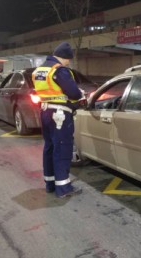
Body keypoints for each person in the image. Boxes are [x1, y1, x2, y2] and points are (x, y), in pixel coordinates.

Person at [32, 42, 84, 198]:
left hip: (45, 111)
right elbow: (73, 93)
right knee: (62, 149)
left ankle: (50, 184)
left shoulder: (40, 70)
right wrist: (80, 94)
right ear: (65, 57)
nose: (68, 62)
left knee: (50, 147)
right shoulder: (60, 70)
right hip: (60, 114)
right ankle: (63, 188)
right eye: (68, 60)